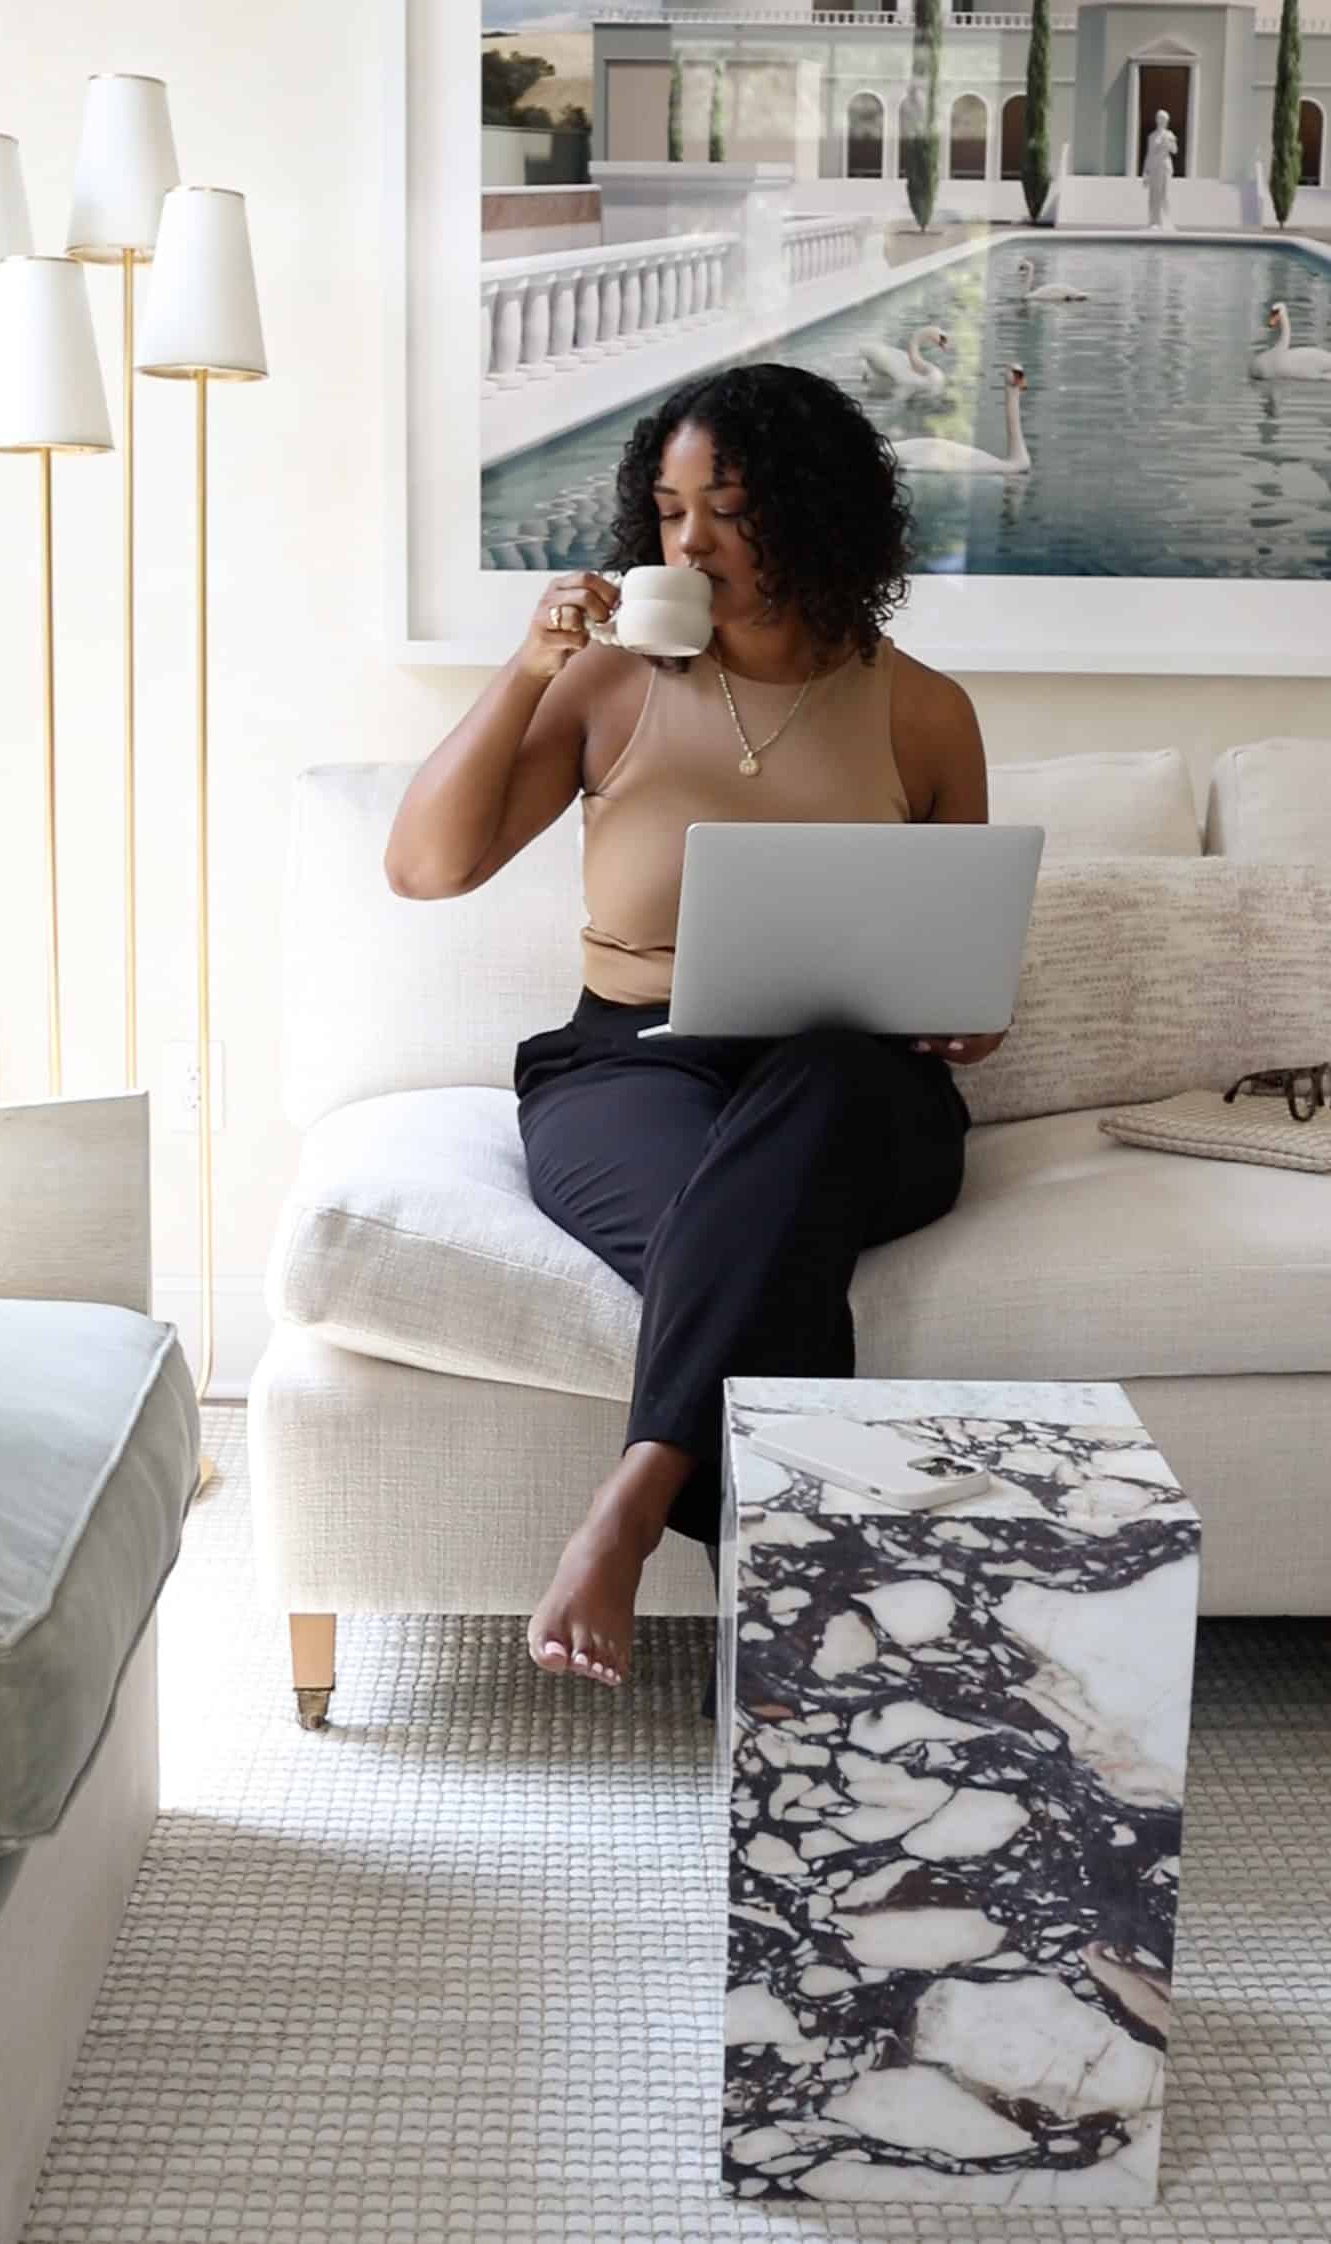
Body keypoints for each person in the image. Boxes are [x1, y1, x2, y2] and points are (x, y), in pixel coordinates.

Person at [384, 362, 1005, 1704]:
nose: (691, 543)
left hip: (850, 1085)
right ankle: (804, 1658)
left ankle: (628, 1504)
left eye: (728, 507)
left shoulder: (923, 709)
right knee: (749, 1244)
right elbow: (428, 869)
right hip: (630, 1062)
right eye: (668, 512)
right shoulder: (610, 684)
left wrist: (963, 1019)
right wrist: (527, 666)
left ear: (818, 513)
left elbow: (965, 966)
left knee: (820, 1098)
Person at [1144, 110, 1177, 230]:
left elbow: (1174, 150)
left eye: (1164, 119)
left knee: (1164, 194)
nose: (1161, 121)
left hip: (1164, 167)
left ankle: (1165, 221)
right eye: (1159, 118)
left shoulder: (1169, 135)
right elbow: (1149, 155)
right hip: (1154, 167)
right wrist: (1146, 173)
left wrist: (1169, 143)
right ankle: (1154, 221)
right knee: (1153, 195)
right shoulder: (1152, 136)